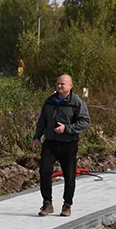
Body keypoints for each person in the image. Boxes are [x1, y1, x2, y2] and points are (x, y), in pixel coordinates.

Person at [32, 74, 90, 217]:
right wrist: (37, 136)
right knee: (44, 172)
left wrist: (67, 129)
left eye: (62, 84)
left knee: (69, 175)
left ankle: (67, 205)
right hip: (50, 142)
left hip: (68, 144)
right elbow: (42, 120)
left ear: (70, 86)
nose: (59, 86)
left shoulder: (76, 103)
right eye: (58, 84)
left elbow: (85, 121)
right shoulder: (49, 101)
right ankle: (47, 203)